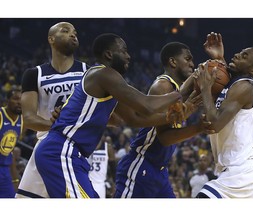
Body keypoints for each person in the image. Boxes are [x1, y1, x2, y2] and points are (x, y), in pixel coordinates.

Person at [22, 33, 193, 198]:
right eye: (124, 51)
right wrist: (182, 92)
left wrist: (171, 117)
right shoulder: (103, 74)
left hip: (72, 154)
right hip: (61, 150)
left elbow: (134, 119)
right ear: (109, 54)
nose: (128, 56)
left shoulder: (107, 84)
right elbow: (146, 105)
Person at [113, 41, 218, 198]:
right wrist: (198, 128)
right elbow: (164, 138)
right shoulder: (163, 86)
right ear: (173, 61)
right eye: (188, 59)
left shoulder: (177, 91)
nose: (192, 64)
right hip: (141, 164)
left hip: (159, 170)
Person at [16, 22, 88, 198]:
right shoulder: (34, 74)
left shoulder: (88, 72)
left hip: (78, 149)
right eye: (65, 31)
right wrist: (56, 125)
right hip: (47, 146)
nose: (73, 34)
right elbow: (29, 119)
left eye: (75, 32)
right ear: (51, 39)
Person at [195, 33, 253, 198]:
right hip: (233, 174)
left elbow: (214, 124)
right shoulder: (232, 86)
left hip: (240, 176)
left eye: (244, 56)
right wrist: (220, 58)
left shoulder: (245, 87)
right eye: (240, 52)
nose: (236, 55)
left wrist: (206, 88)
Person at [0, 89, 23, 198]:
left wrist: (15, 179)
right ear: (7, 101)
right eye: (15, 99)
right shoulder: (1, 115)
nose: (19, 102)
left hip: (5, 170)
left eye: (21, 99)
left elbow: (11, 152)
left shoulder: (22, 121)